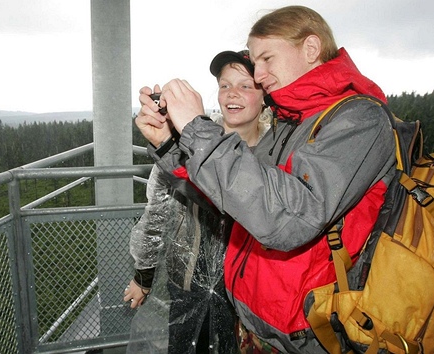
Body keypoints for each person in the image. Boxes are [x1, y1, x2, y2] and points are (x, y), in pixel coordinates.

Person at [134, 6, 397, 354]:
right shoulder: (294, 123)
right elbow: (235, 199)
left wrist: (197, 130)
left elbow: (288, 218)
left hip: (315, 331)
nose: (259, 73)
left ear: (310, 48)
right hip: (265, 323)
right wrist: (169, 144)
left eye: (266, 59)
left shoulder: (359, 119)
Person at [125, 50, 272, 353]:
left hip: (248, 290)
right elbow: (156, 212)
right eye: (224, 85)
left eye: (245, 86)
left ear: (265, 95)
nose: (232, 94)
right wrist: (144, 276)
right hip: (187, 281)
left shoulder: (277, 153)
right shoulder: (189, 142)